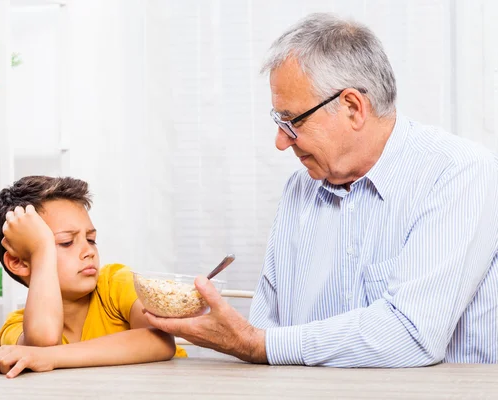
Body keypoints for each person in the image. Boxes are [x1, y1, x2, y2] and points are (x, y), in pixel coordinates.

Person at [145, 12, 498, 367]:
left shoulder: (460, 174)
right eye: (278, 121)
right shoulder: (300, 188)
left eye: (293, 121)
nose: (282, 142)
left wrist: (256, 344)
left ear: (352, 107)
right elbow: (270, 326)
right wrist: (248, 339)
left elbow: (411, 334)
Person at [0, 176, 183, 378]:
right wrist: (42, 249)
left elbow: (160, 341)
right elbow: (43, 343)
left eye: (91, 239)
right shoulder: (16, 326)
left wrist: (52, 358)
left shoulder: (116, 282)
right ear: (19, 263)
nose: (89, 251)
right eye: (67, 242)